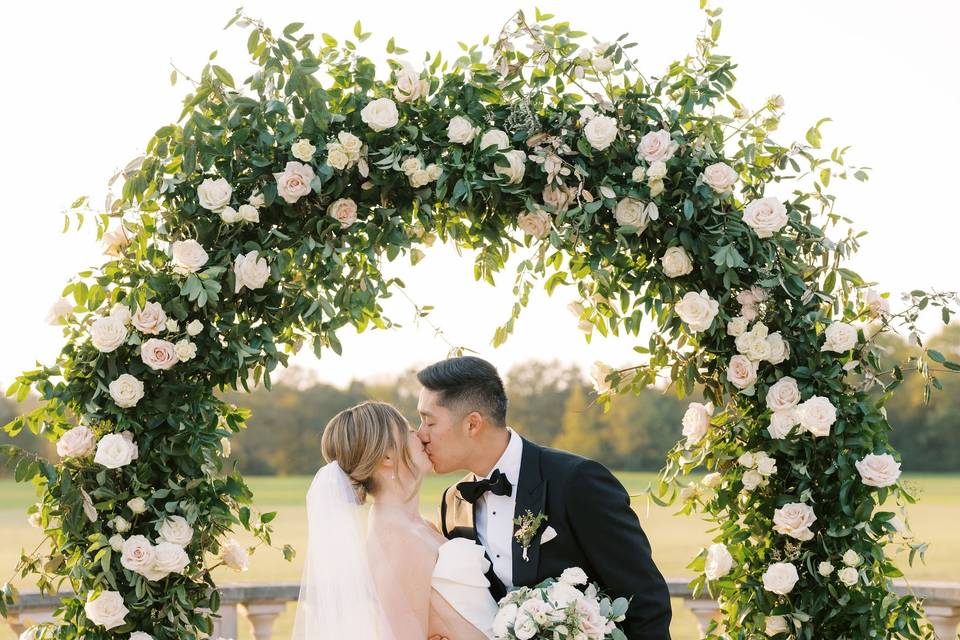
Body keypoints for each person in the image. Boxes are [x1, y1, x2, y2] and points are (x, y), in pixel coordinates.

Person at [417, 356, 673, 640]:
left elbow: (646, 600)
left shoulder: (578, 481)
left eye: (429, 422)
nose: (420, 435)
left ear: (472, 424)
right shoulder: (453, 503)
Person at [291, 400, 497, 639]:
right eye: (409, 431)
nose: (421, 435)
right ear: (387, 456)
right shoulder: (394, 539)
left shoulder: (417, 526)